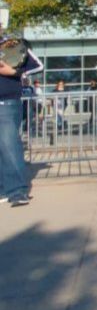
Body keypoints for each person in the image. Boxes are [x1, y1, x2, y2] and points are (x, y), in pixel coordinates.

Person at [0, 31, 42, 207]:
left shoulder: (12, 44)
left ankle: (17, 191)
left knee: (9, 146)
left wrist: (15, 72)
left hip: (5, 103)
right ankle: (3, 189)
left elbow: (38, 66)